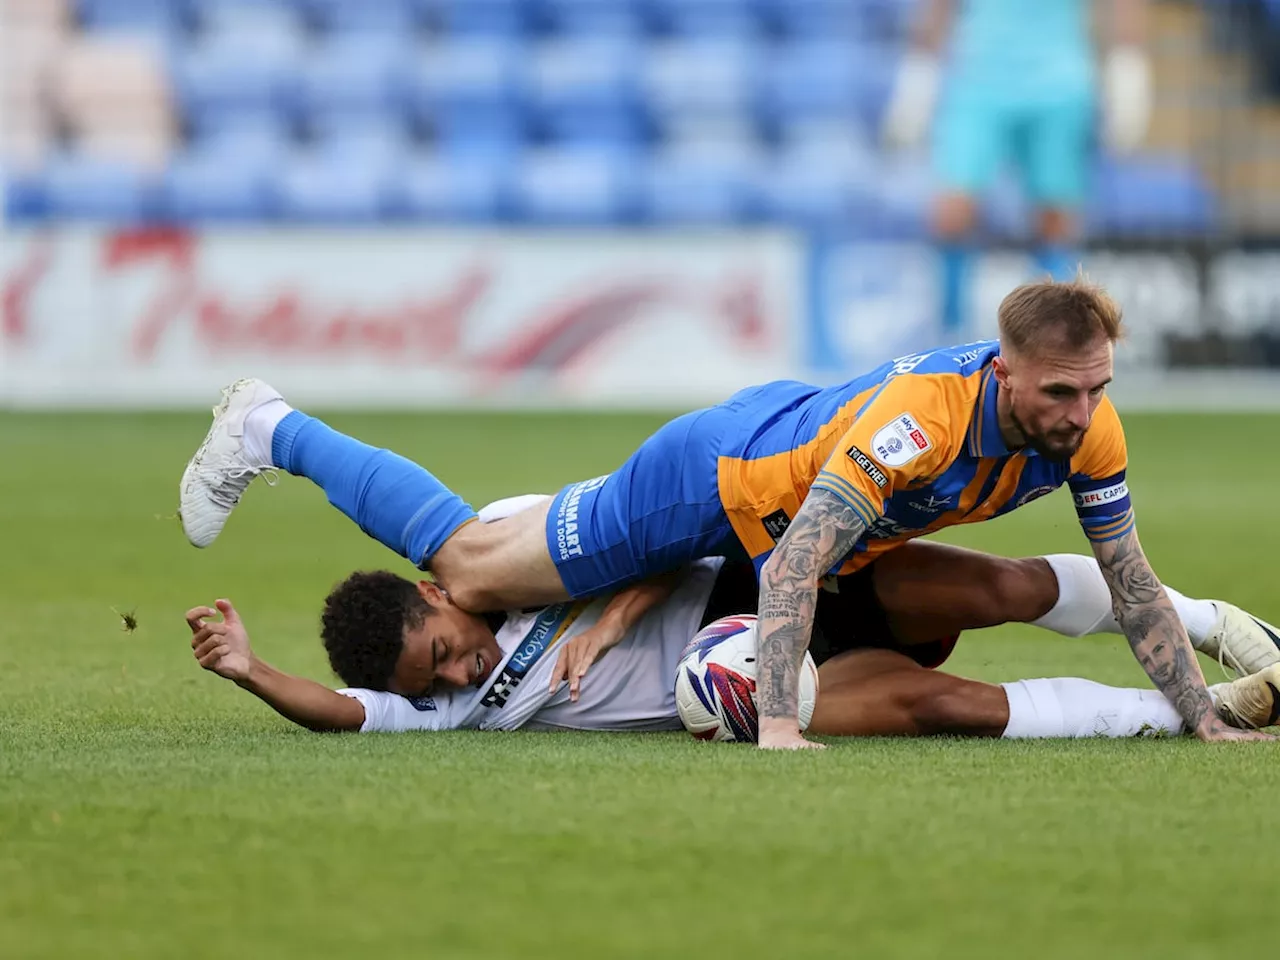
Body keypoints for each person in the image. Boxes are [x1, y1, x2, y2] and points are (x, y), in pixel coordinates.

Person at [179, 278, 1275, 749]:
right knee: (472, 563)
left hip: (751, 498)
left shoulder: (1076, 426)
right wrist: (776, 716)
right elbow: (789, 549)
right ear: (1008, 375)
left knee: (471, 557)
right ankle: (268, 424)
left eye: (1094, 390)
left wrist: (1196, 687)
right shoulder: (917, 426)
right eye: (1061, 395)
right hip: (721, 483)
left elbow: (1123, 568)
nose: (1080, 412)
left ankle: (269, 425)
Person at [882, 0, 1152, 332]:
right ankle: (949, 332)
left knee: (1055, 218)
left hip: (1059, 85)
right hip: (979, 79)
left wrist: (1127, 67)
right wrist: (918, 74)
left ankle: (1056, 333)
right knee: (952, 212)